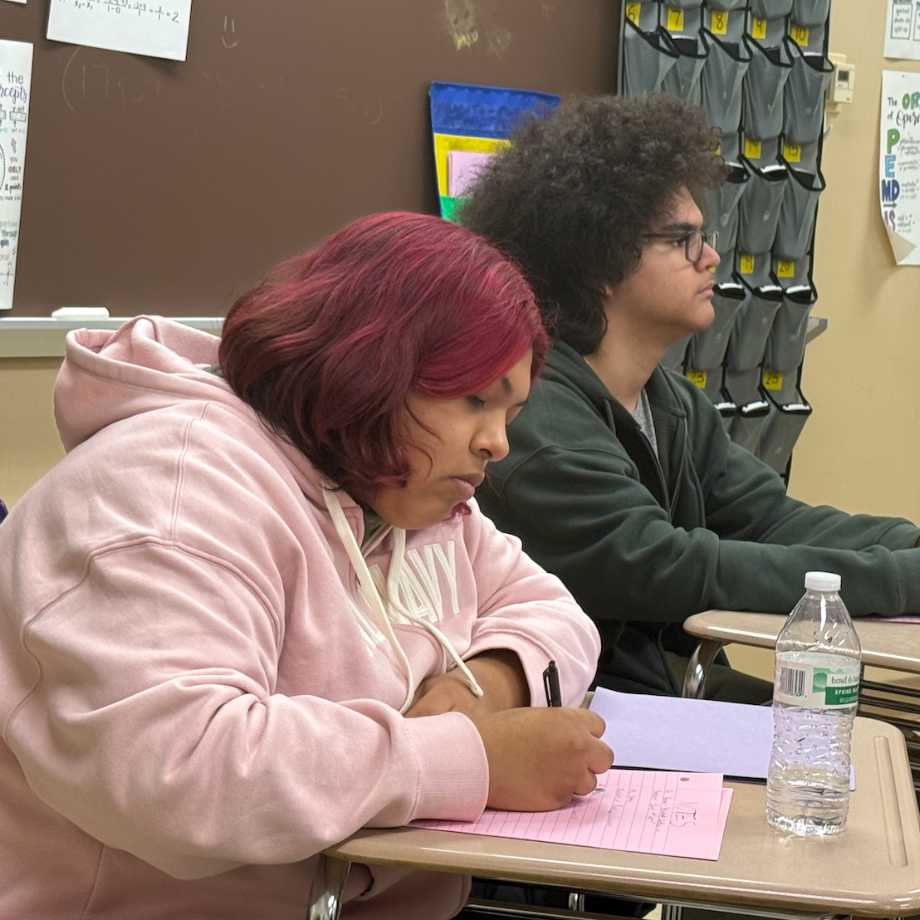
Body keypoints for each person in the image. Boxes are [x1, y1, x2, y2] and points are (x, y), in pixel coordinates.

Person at [0, 212, 613, 920]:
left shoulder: (399, 492)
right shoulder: (167, 491)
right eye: (475, 400)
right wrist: (466, 758)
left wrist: (491, 684)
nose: (496, 444)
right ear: (369, 366)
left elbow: (555, 613)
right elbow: (183, 768)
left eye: (511, 411)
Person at [459, 94, 920, 702]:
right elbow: (668, 568)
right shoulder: (536, 415)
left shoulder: (669, 400)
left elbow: (772, 520)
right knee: (856, 734)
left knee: (862, 727)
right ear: (599, 259)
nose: (711, 257)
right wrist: (901, 579)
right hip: (589, 707)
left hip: (661, 688)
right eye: (683, 240)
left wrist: (908, 546)